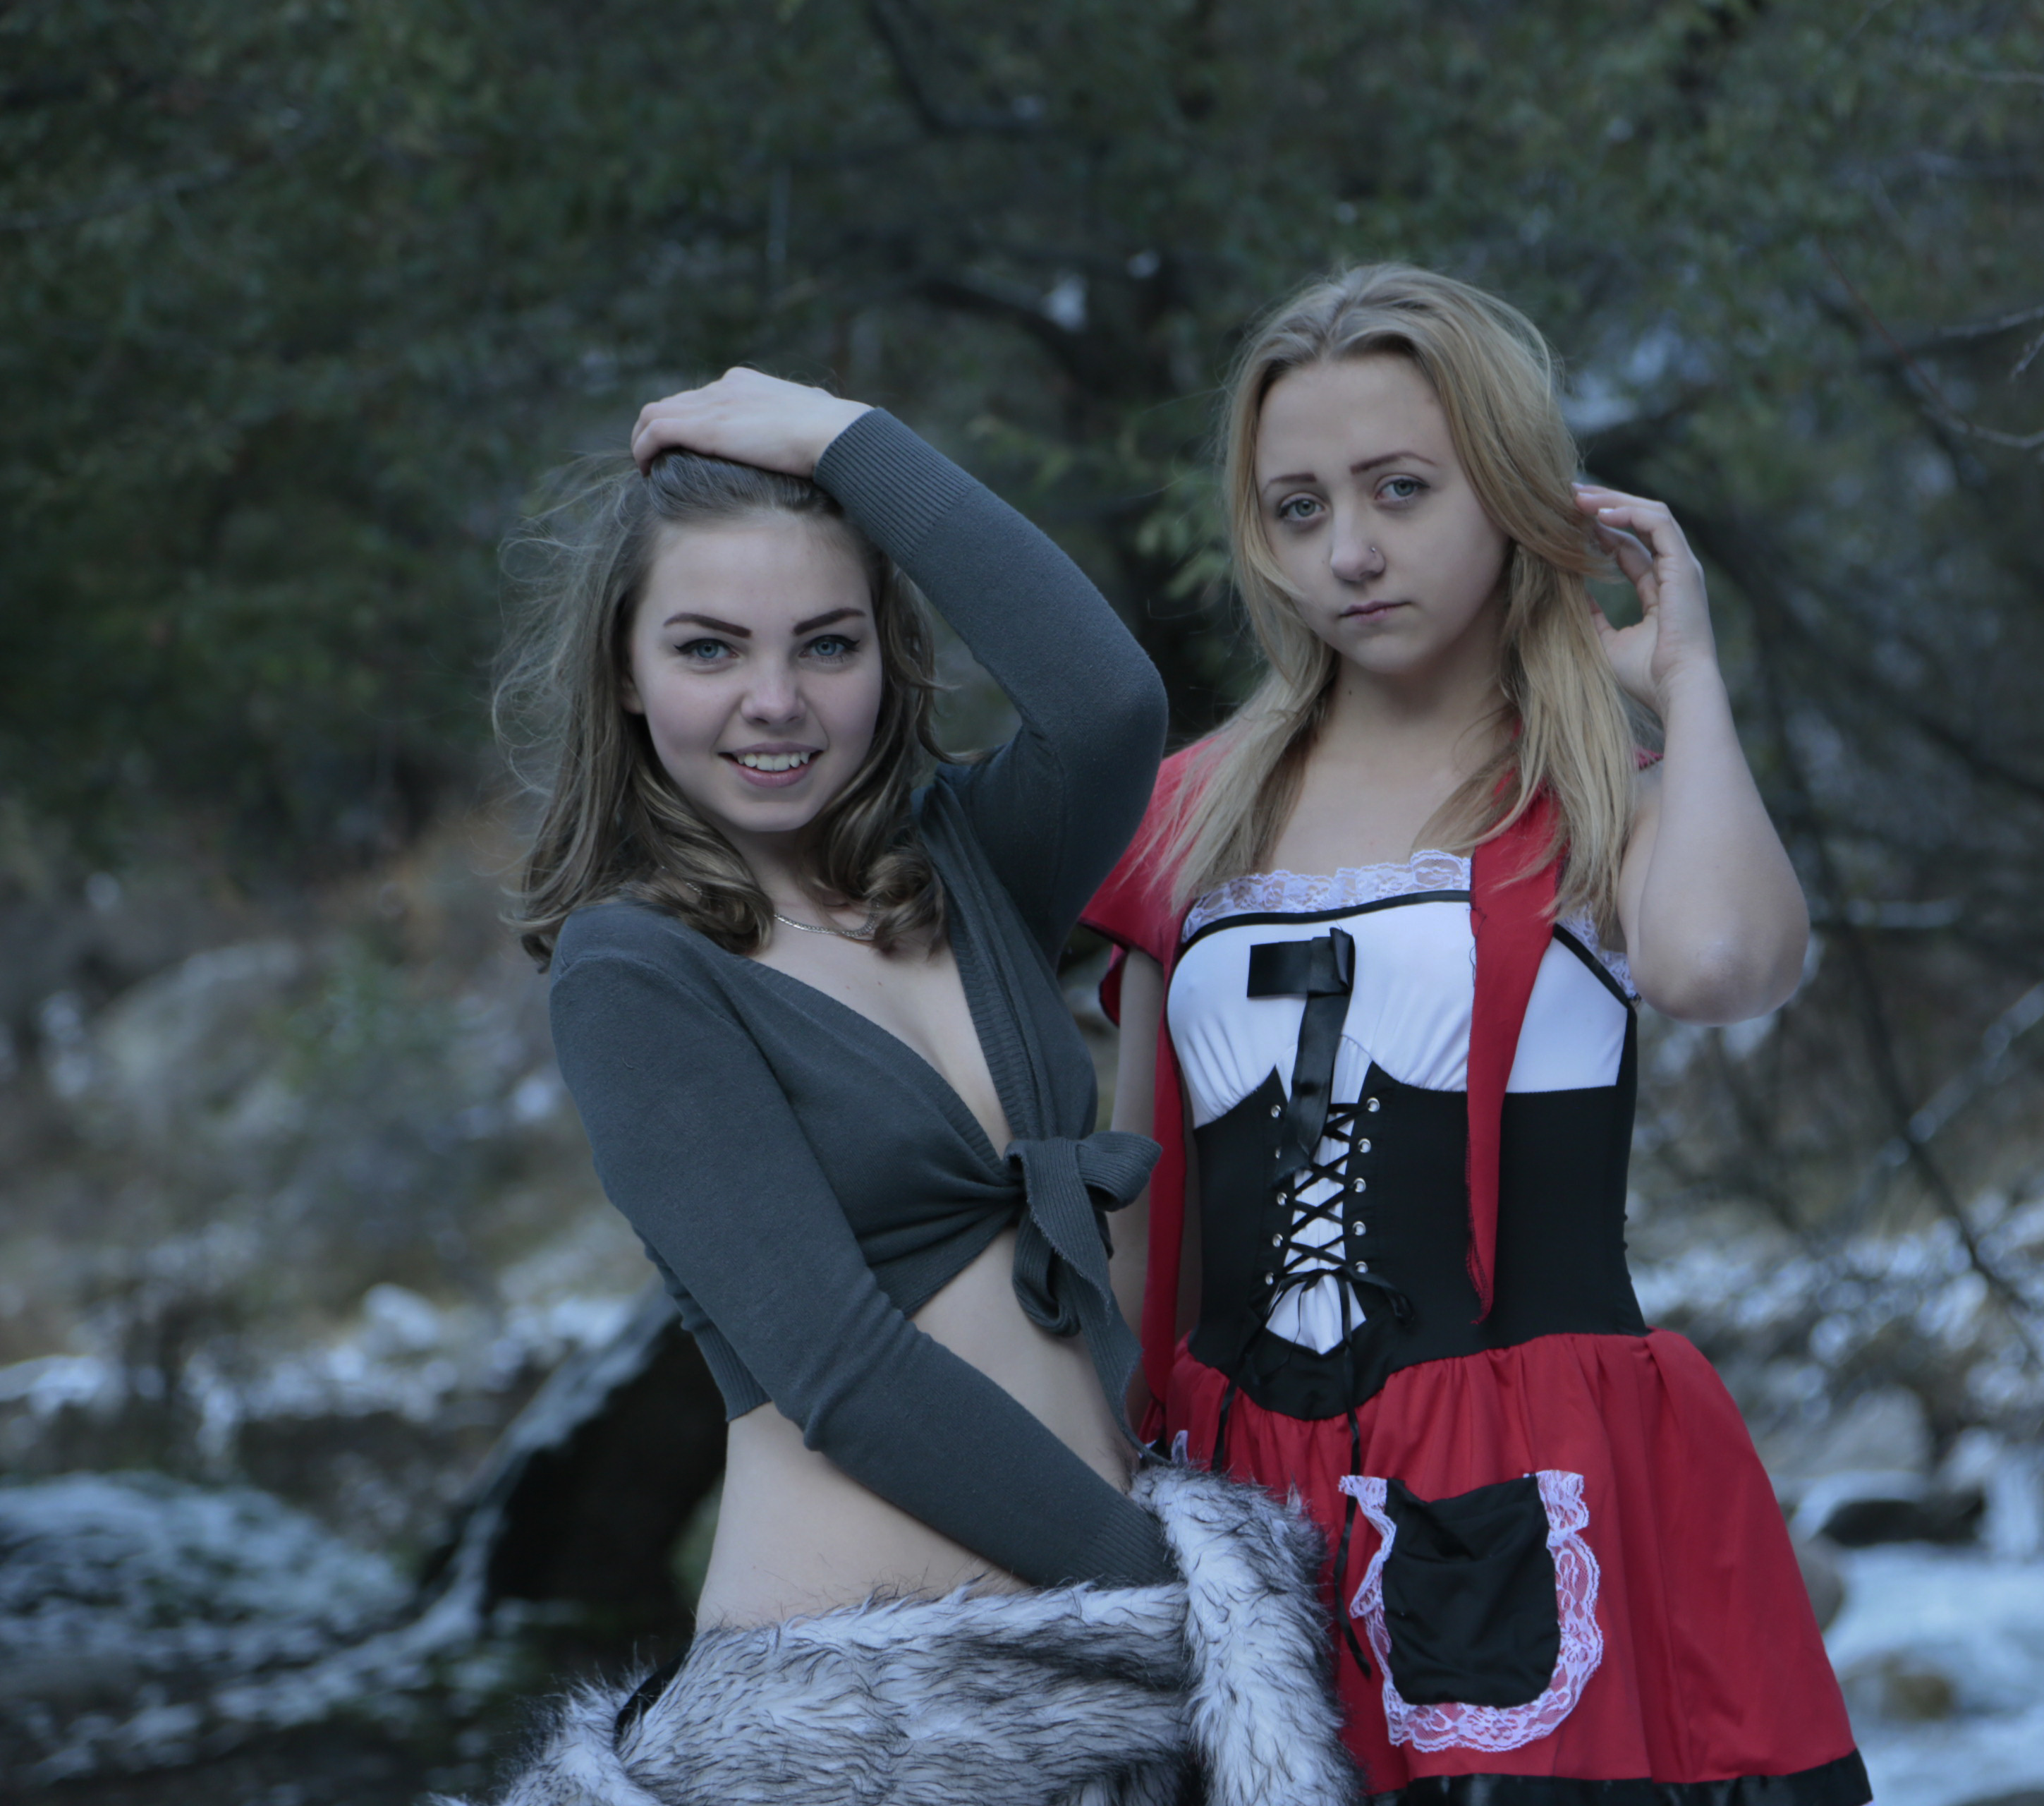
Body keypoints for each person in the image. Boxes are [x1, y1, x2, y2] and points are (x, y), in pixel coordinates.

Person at [470, 369, 1359, 1806]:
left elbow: (1109, 703)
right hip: (858, 1721)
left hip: (1102, 1680)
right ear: (626, 673)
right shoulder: (632, 968)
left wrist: (845, 440)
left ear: (888, 656)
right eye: (708, 648)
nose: (774, 702)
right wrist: (1178, 1598)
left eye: (827, 644)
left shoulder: (962, 861)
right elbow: (842, 1371)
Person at [1087, 267, 1868, 1805]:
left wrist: (1686, 680)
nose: (1350, 551)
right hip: (1234, 1504)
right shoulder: (1187, 808)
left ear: (1512, 493)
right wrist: (1093, 1485)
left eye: (1401, 489)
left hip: (1532, 1479)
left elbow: (1722, 964)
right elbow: (1134, 1220)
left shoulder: (1593, 789)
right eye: (1300, 507)